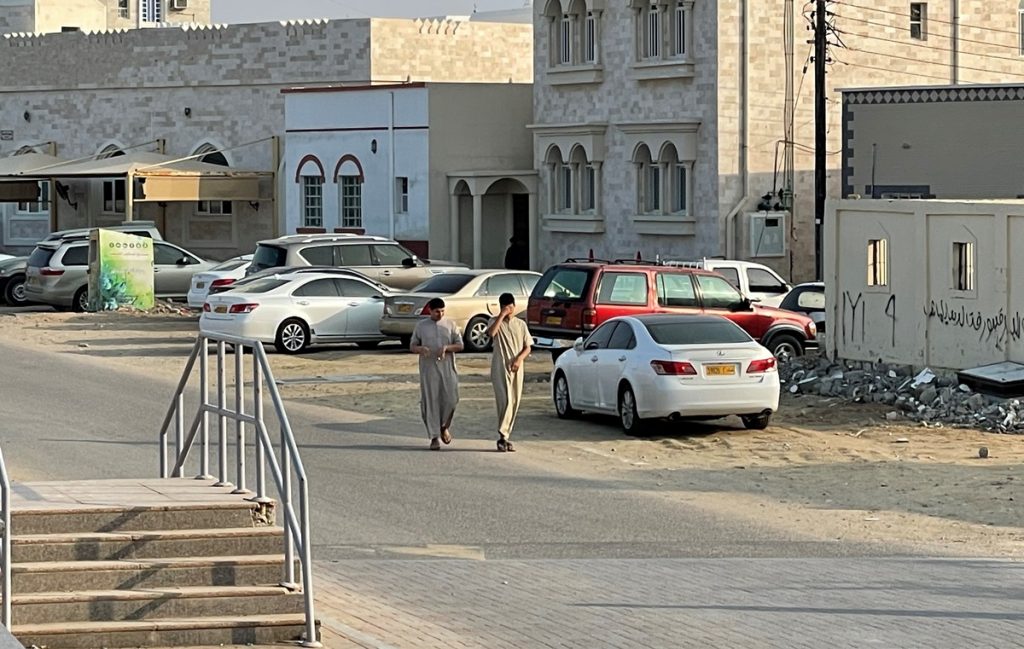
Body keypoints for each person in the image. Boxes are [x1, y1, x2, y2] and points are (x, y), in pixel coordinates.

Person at [410, 297, 464, 450]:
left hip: (447, 368)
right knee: (431, 401)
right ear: (430, 311)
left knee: (451, 399)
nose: (439, 314)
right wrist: (421, 349)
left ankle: (444, 426)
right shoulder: (421, 326)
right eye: (436, 312)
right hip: (429, 369)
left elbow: (460, 345)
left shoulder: (450, 325)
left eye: (442, 311)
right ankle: (434, 436)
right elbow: (412, 345)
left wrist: (447, 348)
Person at [485, 292, 532, 452]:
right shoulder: (494, 321)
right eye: (505, 307)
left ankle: (506, 436)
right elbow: (491, 333)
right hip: (500, 365)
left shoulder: (520, 324)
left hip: (516, 366)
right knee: (505, 399)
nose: (508, 309)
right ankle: (502, 435)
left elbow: (528, 347)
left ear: (514, 306)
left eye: (510, 307)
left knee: (515, 401)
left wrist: (519, 359)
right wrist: (502, 315)